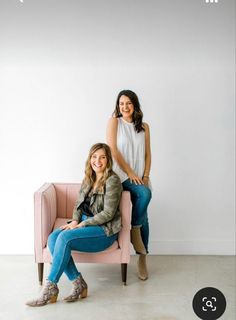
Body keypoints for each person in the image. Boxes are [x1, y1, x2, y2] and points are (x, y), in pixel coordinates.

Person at [26, 143, 122, 307]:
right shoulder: (88, 178)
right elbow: (78, 205)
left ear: (108, 160)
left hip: (104, 230)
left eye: (102, 157)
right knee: (53, 238)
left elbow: (108, 214)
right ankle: (79, 284)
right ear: (89, 159)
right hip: (85, 223)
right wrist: (76, 221)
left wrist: (83, 224)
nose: (97, 161)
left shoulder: (113, 180)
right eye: (94, 157)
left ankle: (50, 288)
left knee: (64, 238)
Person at [106, 90, 152, 281]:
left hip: (140, 176)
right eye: (121, 103)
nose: (124, 107)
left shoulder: (145, 127)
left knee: (145, 210)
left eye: (128, 103)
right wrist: (130, 173)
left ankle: (142, 258)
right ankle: (135, 229)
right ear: (118, 106)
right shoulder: (114, 122)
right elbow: (113, 150)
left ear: (135, 105)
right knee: (144, 195)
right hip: (121, 175)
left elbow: (148, 154)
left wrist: (146, 175)